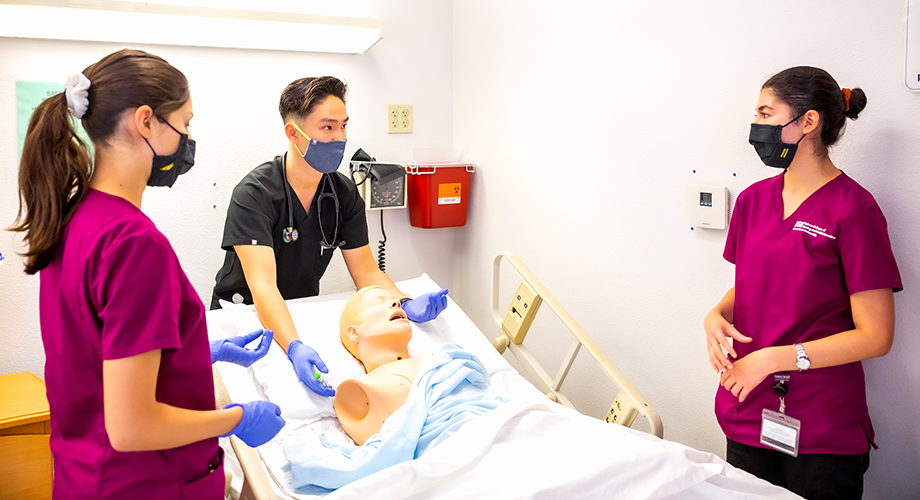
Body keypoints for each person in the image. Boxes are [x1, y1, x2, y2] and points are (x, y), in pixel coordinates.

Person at [10, 49, 284, 499]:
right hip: (144, 482)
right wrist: (237, 419)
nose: (189, 138)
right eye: (185, 123)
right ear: (146, 121)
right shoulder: (134, 243)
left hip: (86, 477)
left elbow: (95, 352)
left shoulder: (75, 220)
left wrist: (198, 351)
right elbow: (133, 426)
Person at [704, 66, 902, 500]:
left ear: (808, 122)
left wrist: (773, 359)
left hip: (821, 422)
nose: (756, 126)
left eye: (766, 113)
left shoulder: (855, 210)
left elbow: (876, 336)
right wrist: (716, 315)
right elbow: (755, 283)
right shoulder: (754, 199)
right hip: (748, 400)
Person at [210, 77, 448, 398]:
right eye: (327, 128)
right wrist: (293, 346)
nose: (340, 138)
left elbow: (365, 269)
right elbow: (262, 284)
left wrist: (404, 302)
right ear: (293, 133)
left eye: (344, 126)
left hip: (300, 310)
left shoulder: (343, 192)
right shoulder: (254, 194)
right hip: (244, 318)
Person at [282, 286, 507, 489]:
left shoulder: (446, 359)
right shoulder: (358, 392)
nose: (396, 303)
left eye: (395, 300)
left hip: (504, 427)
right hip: (463, 461)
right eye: (379, 302)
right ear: (354, 332)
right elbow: (386, 455)